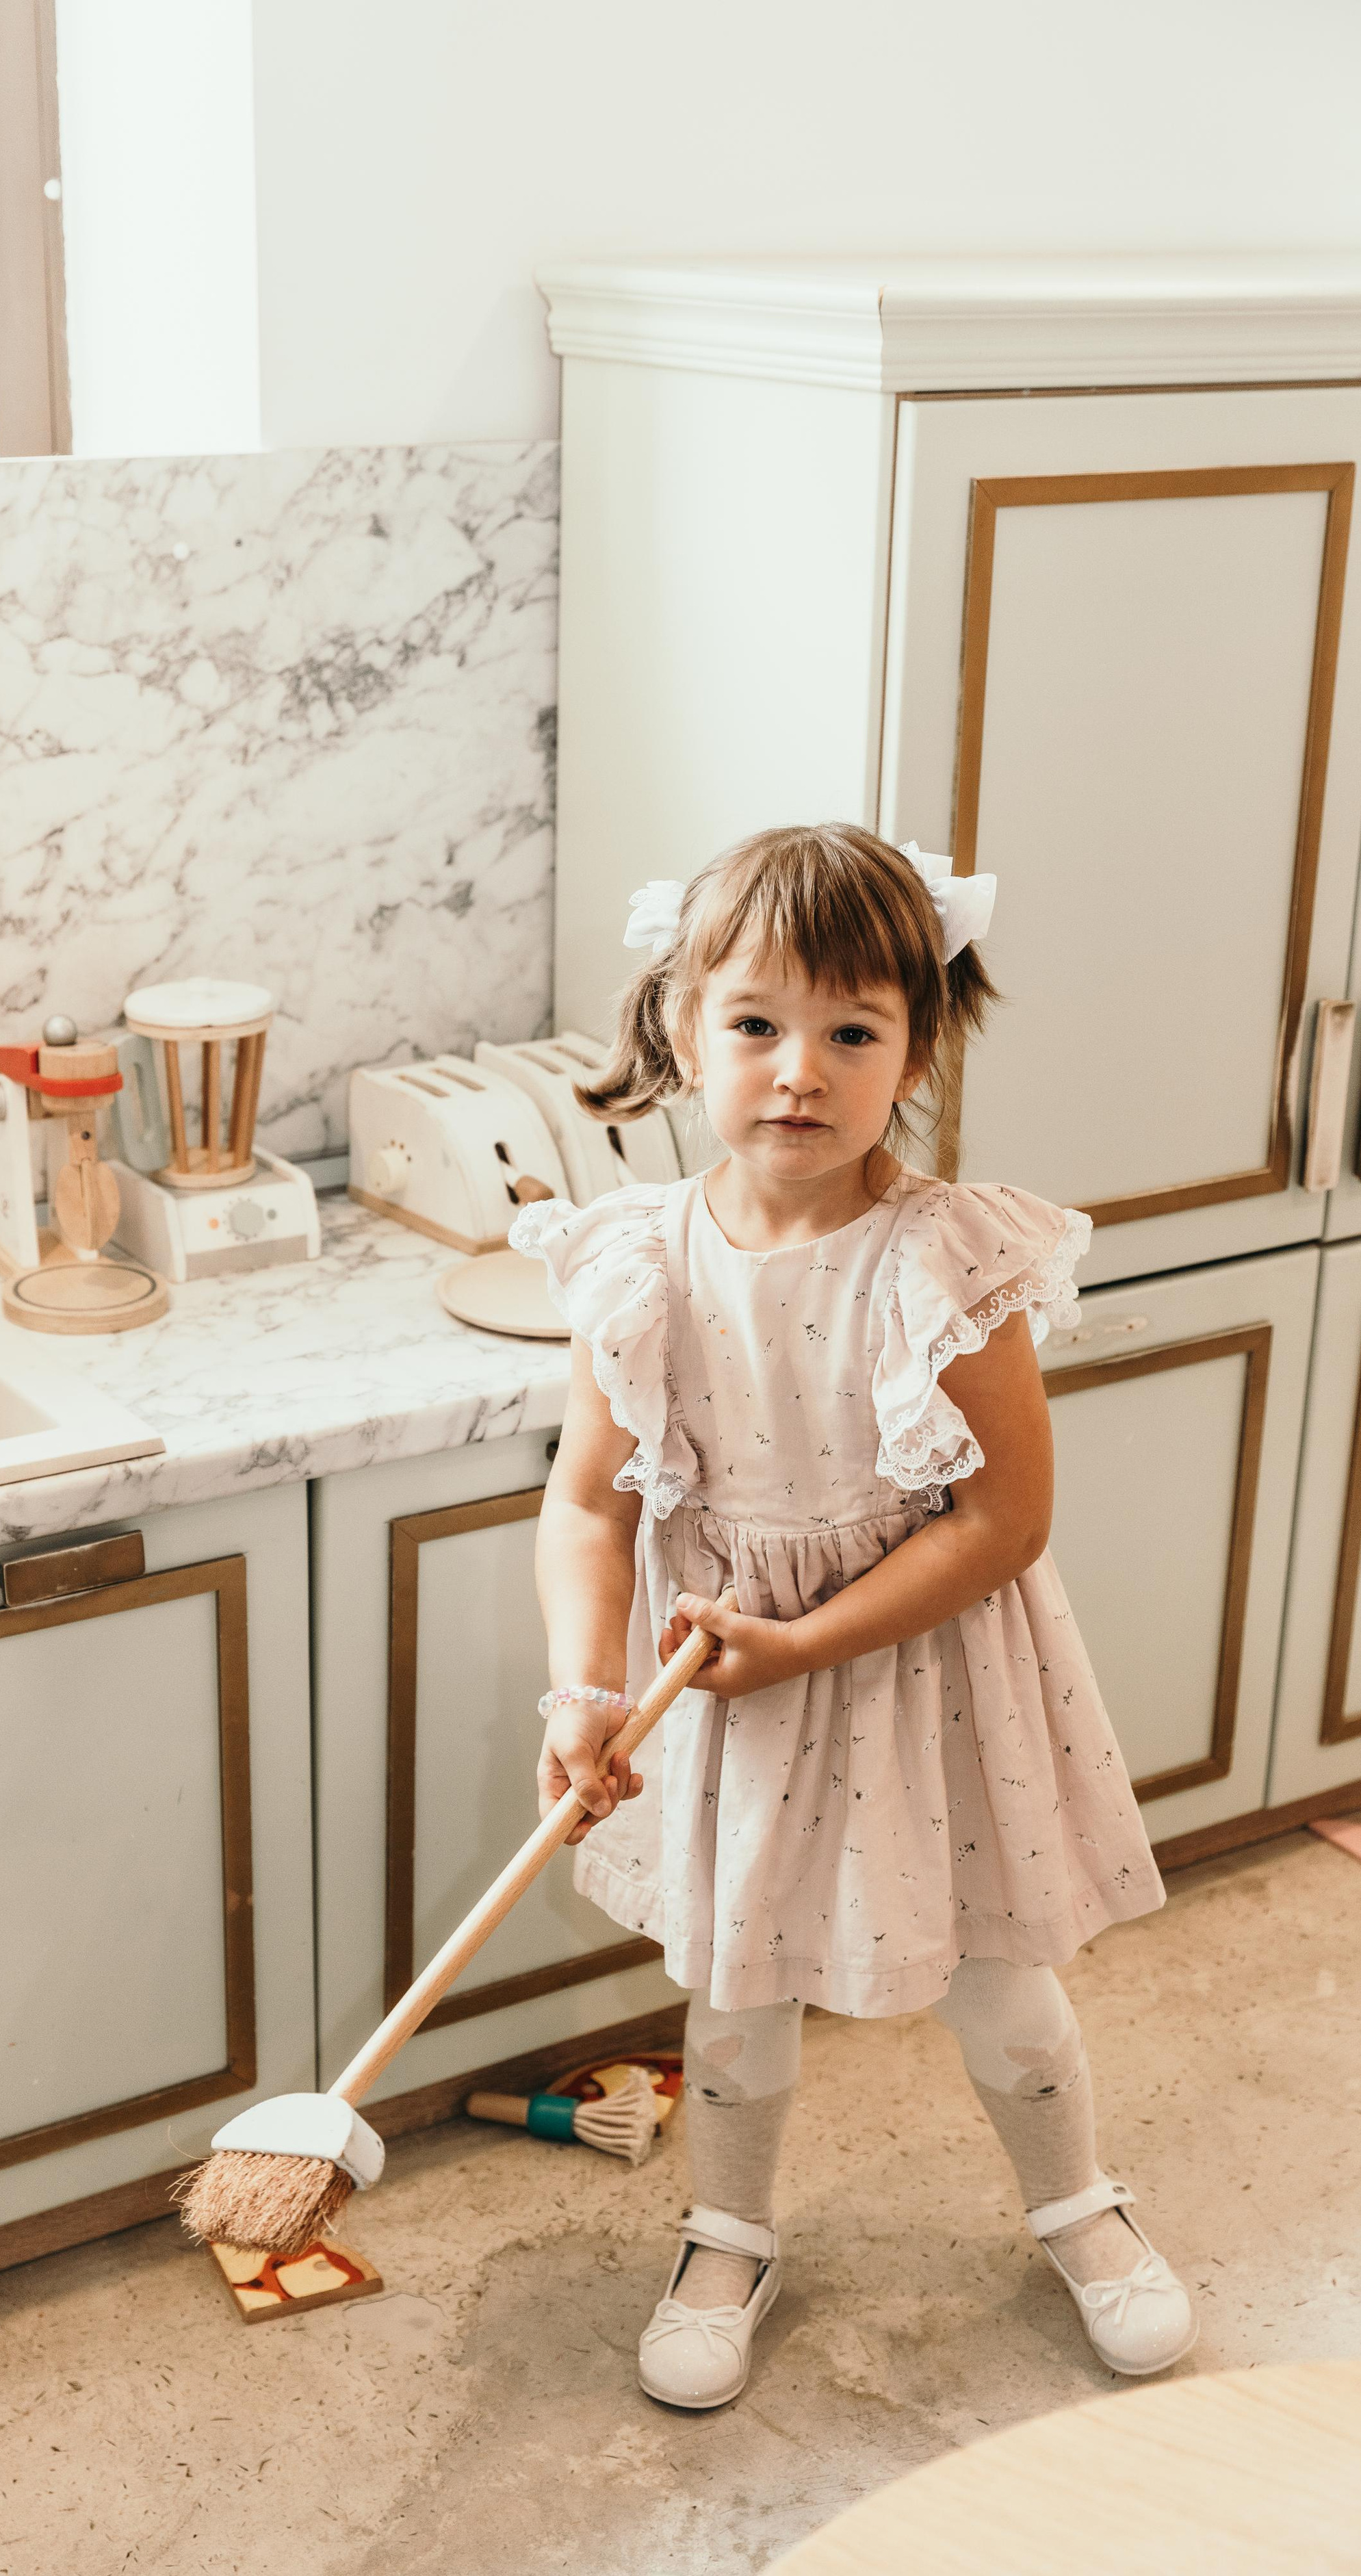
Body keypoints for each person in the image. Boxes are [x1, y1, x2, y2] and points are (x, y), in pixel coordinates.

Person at [513, 823, 1195, 2411]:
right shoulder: (635, 1262)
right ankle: (728, 2233)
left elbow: (1002, 1522)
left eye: (850, 1032)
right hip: (722, 1687)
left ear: (916, 1050)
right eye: (754, 1024)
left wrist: (811, 1642)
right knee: (735, 1986)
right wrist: (578, 1693)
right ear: (681, 1029)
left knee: (996, 1975)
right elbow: (586, 1505)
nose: (797, 1072)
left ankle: (1074, 2204)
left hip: (919, 1674)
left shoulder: (942, 1259)